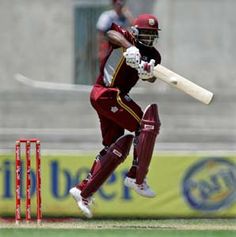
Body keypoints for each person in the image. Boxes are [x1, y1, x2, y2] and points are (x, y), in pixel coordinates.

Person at [70, 13, 162, 218]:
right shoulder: (124, 37)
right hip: (107, 92)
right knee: (146, 124)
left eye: (151, 35)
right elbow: (110, 33)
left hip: (112, 97)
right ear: (135, 32)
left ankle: (83, 191)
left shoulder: (154, 55)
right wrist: (129, 48)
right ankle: (137, 177)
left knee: (117, 146)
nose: (147, 39)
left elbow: (152, 78)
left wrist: (148, 73)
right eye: (144, 35)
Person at [96, 0, 134, 65]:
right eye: (119, 3)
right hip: (108, 46)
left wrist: (129, 16)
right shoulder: (107, 16)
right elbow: (101, 34)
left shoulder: (124, 16)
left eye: (122, 3)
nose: (121, 5)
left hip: (121, 49)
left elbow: (133, 27)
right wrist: (101, 51)